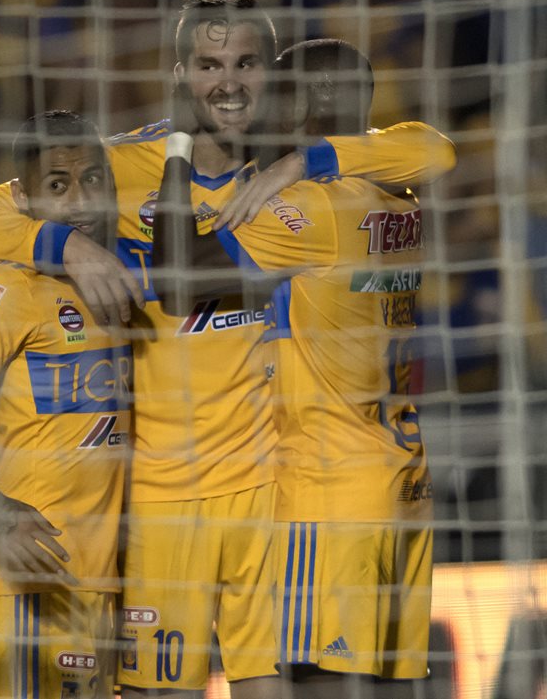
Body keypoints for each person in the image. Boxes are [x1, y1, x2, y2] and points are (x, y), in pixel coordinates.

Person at [0, 0, 454, 699]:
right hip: (158, 500)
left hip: (266, 494)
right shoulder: (119, 166)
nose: (229, 82)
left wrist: (307, 160)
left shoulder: (292, 173)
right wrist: (67, 247)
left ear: (274, 75)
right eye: (209, 64)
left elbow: (431, 146)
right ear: (179, 75)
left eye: (246, 63)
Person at [160, 39, 433, 698]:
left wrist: (176, 145)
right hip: (401, 484)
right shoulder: (399, 189)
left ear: (314, 98)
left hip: (324, 494)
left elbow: (177, 274)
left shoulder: (311, 209)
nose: (259, 101)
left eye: (278, 87)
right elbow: (434, 143)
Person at [0, 110, 130, 699]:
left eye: (93, 180)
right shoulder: (2, 289)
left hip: (106, 571)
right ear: (21, 197)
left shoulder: (124, 274)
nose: (80, 201)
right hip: (32, 565)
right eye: (58, 186)